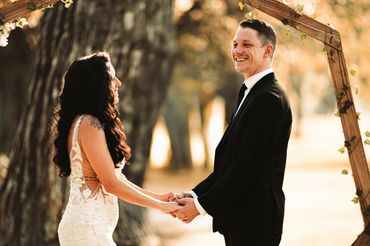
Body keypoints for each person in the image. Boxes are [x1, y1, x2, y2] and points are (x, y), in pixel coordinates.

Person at [172, 19, 292, 245]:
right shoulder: (250, 92)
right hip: (242, 219)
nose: (237, 50)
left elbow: (247, 168)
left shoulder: (269, 99)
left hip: (256, 223)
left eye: (247, 45)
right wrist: (195, 194)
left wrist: (199, 207)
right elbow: (231, 161)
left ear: (267, 50)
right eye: (235, 44)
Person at [51, 51, 180, 246]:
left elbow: (115, 178)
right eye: (112, 77)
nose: (118, 82)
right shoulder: (88, 123)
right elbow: (111, 184)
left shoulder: (85, 121)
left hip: (92, 225)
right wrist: (161, 206)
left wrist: (158, 197)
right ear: (96, 84)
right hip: (87, 227)